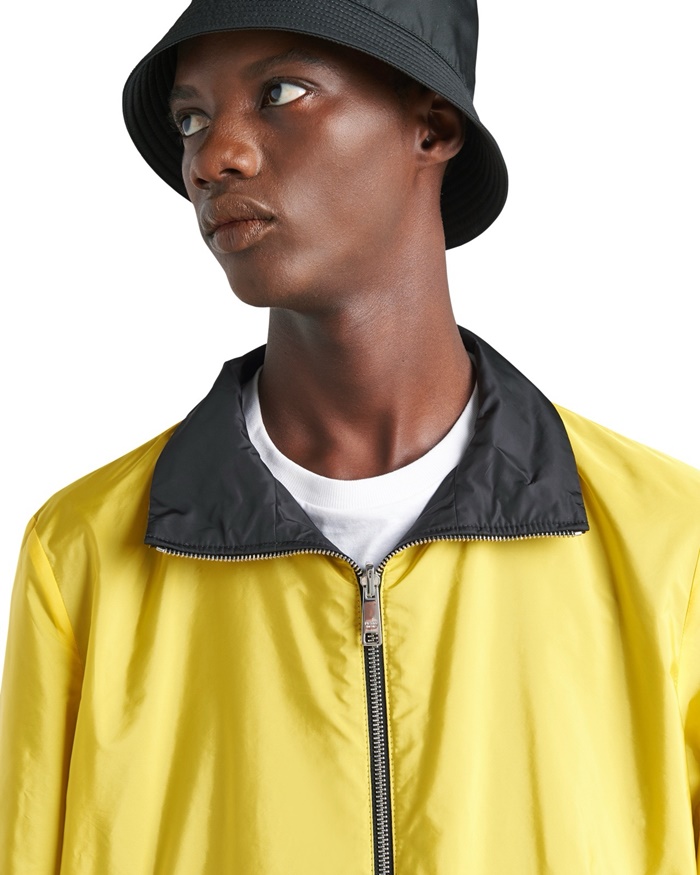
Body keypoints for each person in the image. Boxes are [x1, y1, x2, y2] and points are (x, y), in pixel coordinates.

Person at [1, 0, 698, 872]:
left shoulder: (672, 546)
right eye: (191, 119)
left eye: (281, 92)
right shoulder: (83, 558)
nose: (214, 157)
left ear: (432, 128)